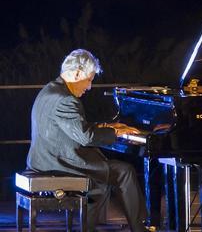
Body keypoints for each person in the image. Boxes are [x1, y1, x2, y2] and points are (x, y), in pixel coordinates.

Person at [27, 49, 148, 232]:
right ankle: (137, 228)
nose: (89, 86)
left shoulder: (50, 90)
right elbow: (86, 137)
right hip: (58, 164)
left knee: (107, 176)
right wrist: (116, 134)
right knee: (124, 172)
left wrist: (110, 127)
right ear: (77, 74)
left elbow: (75, 127)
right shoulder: (65, 100)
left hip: (44, 160)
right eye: (89, 80)